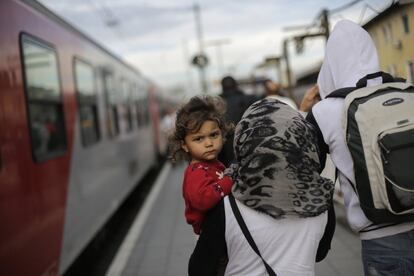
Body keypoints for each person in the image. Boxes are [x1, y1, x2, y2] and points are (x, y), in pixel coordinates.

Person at [306, 19, 414, 276]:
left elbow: (308, 168)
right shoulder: (408, 92)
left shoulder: (324, 112)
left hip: (382, 240)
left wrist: (303, 112)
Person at [189, 97, 335, 276]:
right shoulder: (321, 199)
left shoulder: (226, 207)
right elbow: (319, 253)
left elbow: (198, 270)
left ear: (244, 143)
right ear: (302, 139)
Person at [169, 95, 234, 235]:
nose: (209, 143)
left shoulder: (213, 164)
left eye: (214, 135)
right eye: (199, 138)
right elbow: (203, 200)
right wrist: (229, 181)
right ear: (184, 145)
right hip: (212, 234)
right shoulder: (196, 172)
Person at [218, 76, 256, 167]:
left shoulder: (217, 104)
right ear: (236, 85)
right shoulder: (249, 99)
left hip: (226, 150)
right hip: (248, 145)